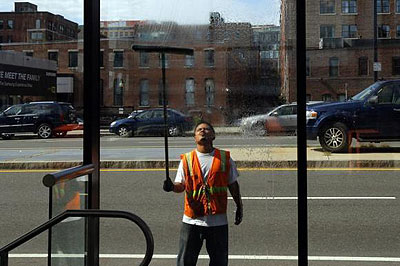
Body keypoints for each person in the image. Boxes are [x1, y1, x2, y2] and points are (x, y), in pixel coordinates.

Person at [163, 121, 243, 266]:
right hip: (192, 220)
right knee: (185, 262)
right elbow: (181, 186)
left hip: (218, 222)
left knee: (219, 262)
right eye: (199, 129)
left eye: (207, 129)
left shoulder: (225, 158)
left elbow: (233, 184)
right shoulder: (187, 160)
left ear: (213, 136)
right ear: (194, 137)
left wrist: (239, 206)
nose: (203, 131)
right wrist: (171, 187)